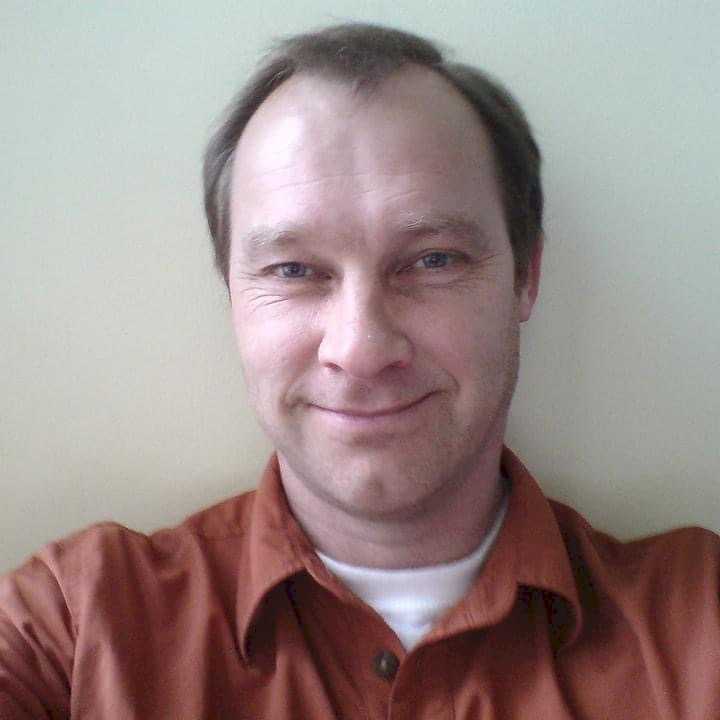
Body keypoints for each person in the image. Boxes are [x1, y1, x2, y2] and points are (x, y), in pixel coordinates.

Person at [1, 22, 718, 719]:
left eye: (433, 260)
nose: (362, 348)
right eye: (293, 270)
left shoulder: (700, 627)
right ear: (232, 298)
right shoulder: (75, 627)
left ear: (525, 278)